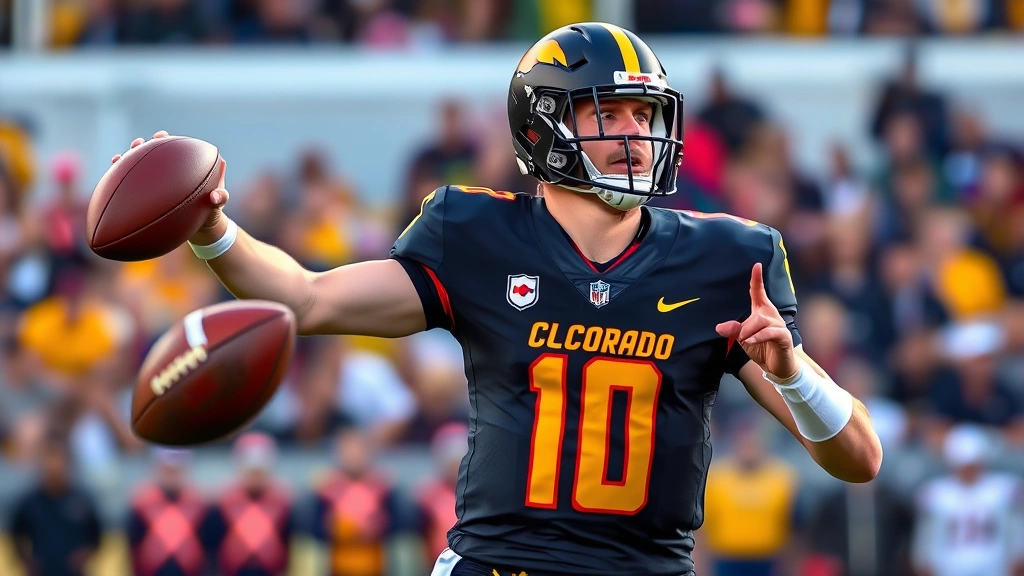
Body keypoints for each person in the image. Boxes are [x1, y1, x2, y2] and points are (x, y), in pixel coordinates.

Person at [112, 21, 882, 576]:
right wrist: (212, 227)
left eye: (645, 114)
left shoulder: (728, 259)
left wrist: (791, 374)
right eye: (609, 113)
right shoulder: (477, 234)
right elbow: (303, 298)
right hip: (498, 565)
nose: (635, 134)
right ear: (545, 128)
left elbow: (860, 459)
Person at [8, 433, 102, 576]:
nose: (54, 465)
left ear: (68, 463)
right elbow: (16, 534)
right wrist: (27, 561)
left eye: (59, 459)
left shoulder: (82, 501)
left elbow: (95, 536)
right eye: (49, 459)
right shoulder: (29, 503)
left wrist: (84, 555)